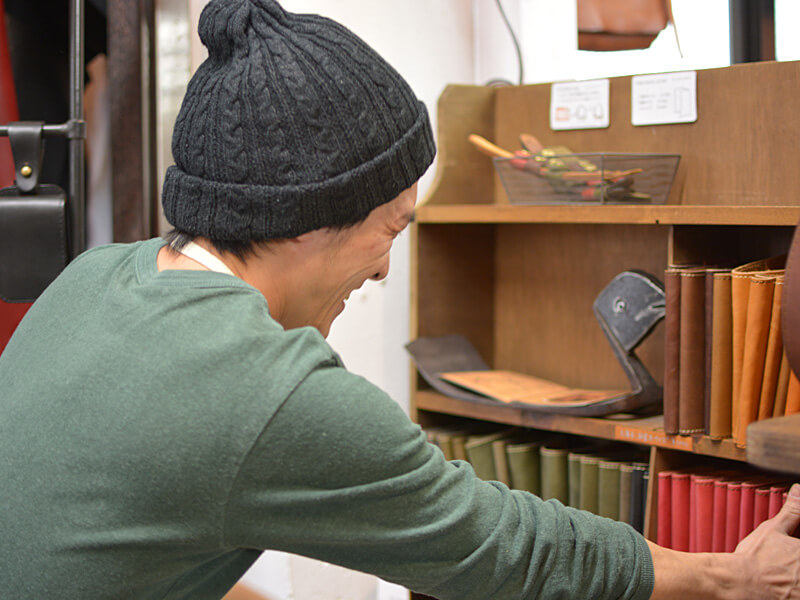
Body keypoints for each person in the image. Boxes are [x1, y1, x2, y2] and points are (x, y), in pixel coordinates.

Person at [1, 1, 799, 598]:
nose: (386, 271)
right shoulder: (270, 390)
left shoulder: (93, 278)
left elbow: (118, 546)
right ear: (308, 223)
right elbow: (504, 548)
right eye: (391, 228)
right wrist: (730, 576)